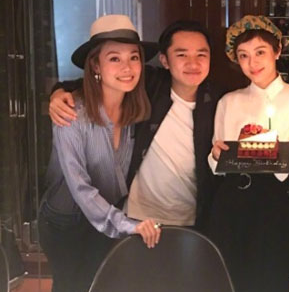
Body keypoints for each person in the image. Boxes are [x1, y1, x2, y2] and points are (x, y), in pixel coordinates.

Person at [38, 15, 161, 292]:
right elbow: (80, 187)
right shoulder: (70, 114)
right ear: (95, 66)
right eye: (114, 59)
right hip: (65, 222)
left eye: (134, 57)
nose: (127, 67)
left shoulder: (135, 110)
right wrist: (127, 224)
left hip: (107, 217)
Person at [49, 20, 220, 232]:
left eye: (201, 55)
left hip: (189, 222)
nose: (193, 64)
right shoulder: (152, 86)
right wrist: (58, 93)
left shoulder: (220, 101)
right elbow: (93, 83)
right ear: (164, 60)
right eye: (182, 55)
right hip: (128, 218)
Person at [208, 15, 289, 292]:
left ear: (277, 51)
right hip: (231, 199)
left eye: (260, 52)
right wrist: (217, 155)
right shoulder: (229, 102)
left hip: (274, 200)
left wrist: (275, 154)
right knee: (230, 281)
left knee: (272, 282)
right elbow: (216, 163)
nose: (252, 63)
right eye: (243, 56)